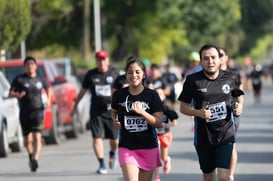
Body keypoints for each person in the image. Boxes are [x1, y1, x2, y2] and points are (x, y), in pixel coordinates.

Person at [178, 44, 244, 181]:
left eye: (213, 58)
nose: (210, 61)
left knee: (223, 176)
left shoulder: (231, 78)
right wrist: (198, 113)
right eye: (206, 58)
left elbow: (238, 97)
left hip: (225, 134)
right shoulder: (193, 81)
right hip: (203, 137)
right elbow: (182, 108)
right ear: (201, 61)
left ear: (220, 59)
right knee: (208, 177)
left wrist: (239, 107)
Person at [111, 56, 163, 181]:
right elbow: (114, 111)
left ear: (144, 75)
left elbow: (158, 122)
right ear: (126, 75)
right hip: (127, 147)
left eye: (137, 72)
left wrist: (142, 112)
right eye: (130, 72)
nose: (133, 75)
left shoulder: (152, 95)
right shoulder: (119, 95)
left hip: (148, 147)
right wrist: (116, 121)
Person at [71, 50, 119, 174]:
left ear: (107, 60)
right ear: (96, 61)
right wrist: (75, 106)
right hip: (96, 111)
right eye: (99, 60)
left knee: (114, 140)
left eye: (103, 59)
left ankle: (113, 153)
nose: (101, 62)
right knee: (97, 137)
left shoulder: (114, 73)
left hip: (112, 112)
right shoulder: (91, 75)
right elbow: (82, 91)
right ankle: (102, 164)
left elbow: (123, 89)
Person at [9, 56, 50, 172]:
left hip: (38, 111)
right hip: (25, 112)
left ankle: (35, 160)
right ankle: (30, 155)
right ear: (25, 66)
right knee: (28, 140)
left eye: (32, 64)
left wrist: (48, 99)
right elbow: (10, 93)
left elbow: (48, 88)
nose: (30, 66)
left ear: (36, 66)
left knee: (37, 136)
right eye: (27, 64)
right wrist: (17, 95)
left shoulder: (40, 79)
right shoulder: (19, 79)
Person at [219, 48, 244, 181]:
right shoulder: (207, 75)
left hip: (231, 115)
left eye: (221, 55)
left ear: (226, 57)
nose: (219, 57)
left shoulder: (233, 75)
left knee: (231, 144)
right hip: (213, 119)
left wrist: (240, 106)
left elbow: (239, 95)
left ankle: (230, 175)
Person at [153, 89, 178, 181]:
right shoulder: (149, 108)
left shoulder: (166, 107)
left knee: (163, 157)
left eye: (160, 94)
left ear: (163, 96)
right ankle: (156, 176)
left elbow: (175, 122)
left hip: (164, 134)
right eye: (156, 94)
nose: (158, 96)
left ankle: (167, 160)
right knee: (156, 155)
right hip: (154, 135)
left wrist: (169, 124)